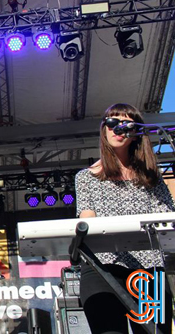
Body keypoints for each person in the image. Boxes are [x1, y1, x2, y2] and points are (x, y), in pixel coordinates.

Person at [76, 103, 174, 334]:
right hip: (103, 267)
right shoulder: (86, 178)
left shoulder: (151, 177)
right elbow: (88, 219)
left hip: (150, 269)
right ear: (104, 129)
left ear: (136, 133)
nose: (117, 128)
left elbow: (167, 218)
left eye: (126, 124)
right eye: (111, 123)